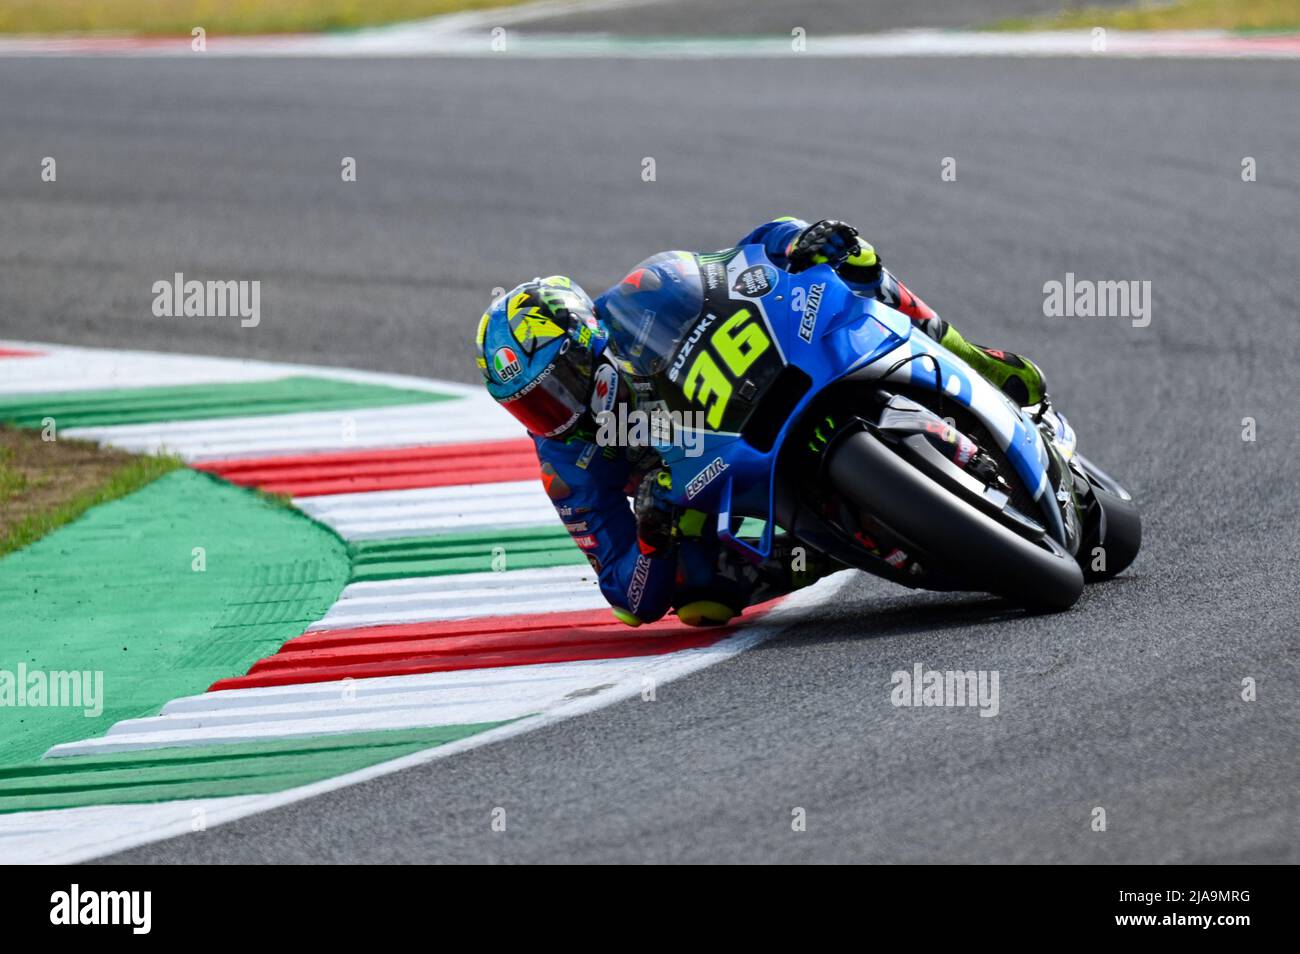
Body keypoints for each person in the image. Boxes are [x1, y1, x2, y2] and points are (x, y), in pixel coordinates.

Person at [473, 217, 1046, 626]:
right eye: (530, 406)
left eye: (558, 386)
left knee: (849, 257)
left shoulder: (647, 292)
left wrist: (798, 241)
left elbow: (748, 255)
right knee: (701, 599)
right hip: (706, 481)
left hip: (759, 381)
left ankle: (967, 354)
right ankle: (835, 545)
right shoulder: (563, 463)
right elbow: (627, 598)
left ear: (587, 340)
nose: (556, 414)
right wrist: (651, 537)